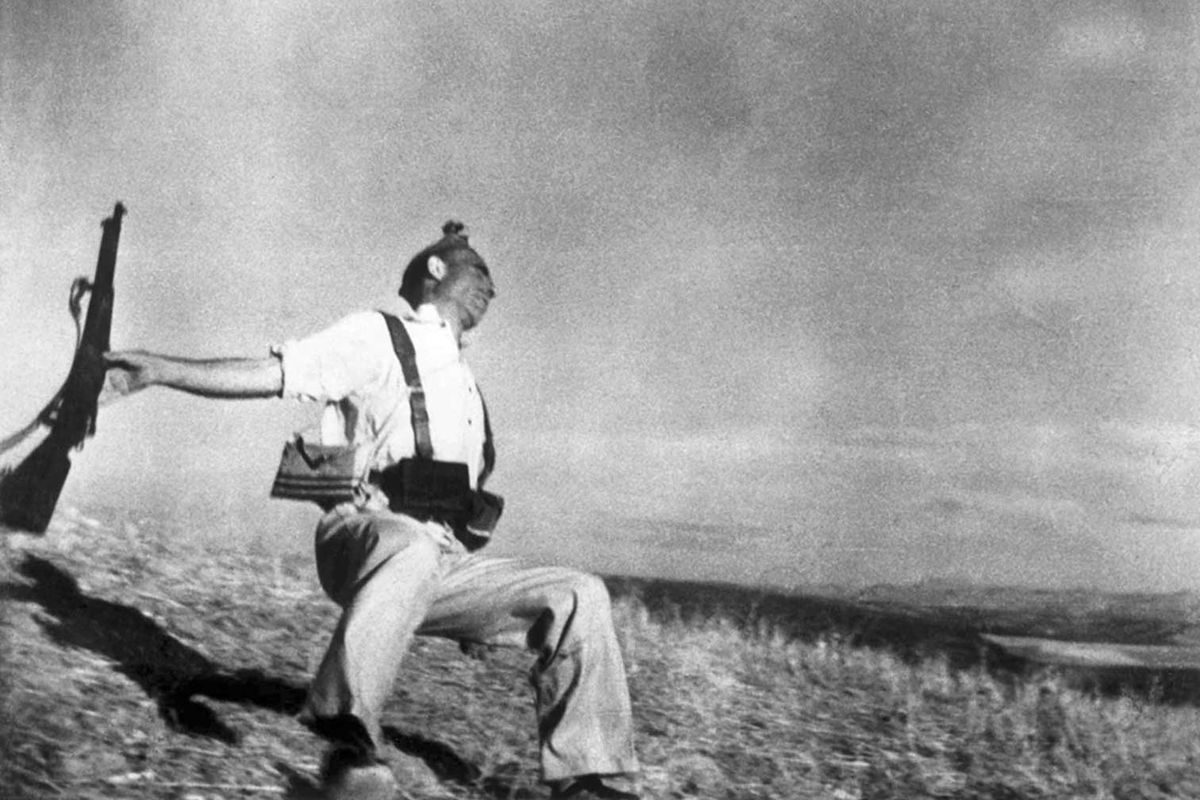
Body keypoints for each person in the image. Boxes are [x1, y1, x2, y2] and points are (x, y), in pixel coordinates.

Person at [104, 222, 641, 800]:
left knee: (579, 594)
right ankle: (349, 740)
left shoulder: (468, 390)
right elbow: (273, 374)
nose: (493, 288)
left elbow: (461, 508)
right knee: (409, 548)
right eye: (481, 272)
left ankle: (590, 779)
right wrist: (160, 370)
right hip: (363, 534)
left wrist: (483, 614)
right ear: (437, 269)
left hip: (439, 559)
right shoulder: (377, 336)